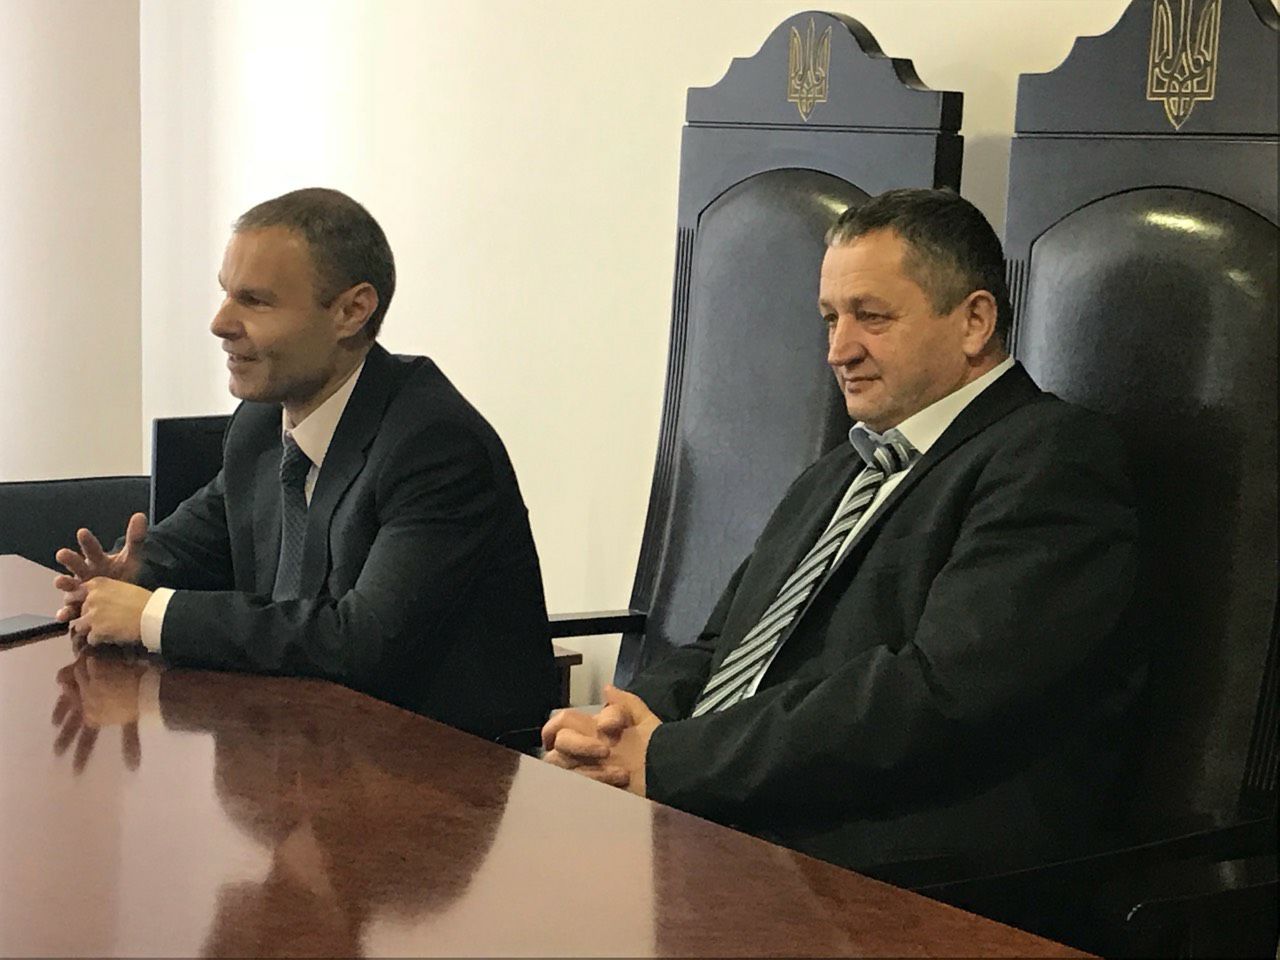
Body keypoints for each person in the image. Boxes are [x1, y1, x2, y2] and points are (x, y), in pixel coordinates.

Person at [542, 188, 1145, 881]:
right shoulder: (843, 469)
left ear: (974, 321)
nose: (838, 350)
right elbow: (723, 646)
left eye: (872, 317)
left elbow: (932, 696)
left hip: (897, 868)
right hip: (727, 819)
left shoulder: (1051, 458)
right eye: (830, 318)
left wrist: (673, 760)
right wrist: (620, 728)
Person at [54, 187, 555, 740]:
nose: (220, 322)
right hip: (301, 743)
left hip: (439, 761)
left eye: (255, 301)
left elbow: (361, 642)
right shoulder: (260, 424)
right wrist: (132, 573)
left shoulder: (434, 444)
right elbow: (195, 542)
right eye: (225, 293)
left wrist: (153, 616)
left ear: (351, 312)